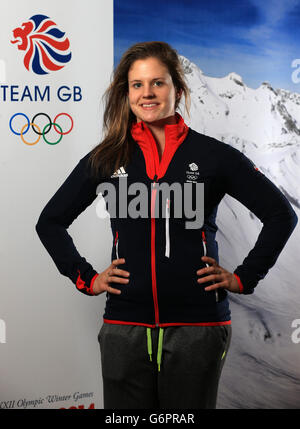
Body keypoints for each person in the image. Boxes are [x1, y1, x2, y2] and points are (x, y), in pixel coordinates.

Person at [35, 41, 298, 409]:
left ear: (178, 87)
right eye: (136, 85)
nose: (147, 94)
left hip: (199, 328)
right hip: (125, 327)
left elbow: (281, 214)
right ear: (126, 93)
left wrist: (243, 276)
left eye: (157, 83)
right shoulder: (107, 158)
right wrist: (87, 277)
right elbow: (50, 221)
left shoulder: (215, 156)